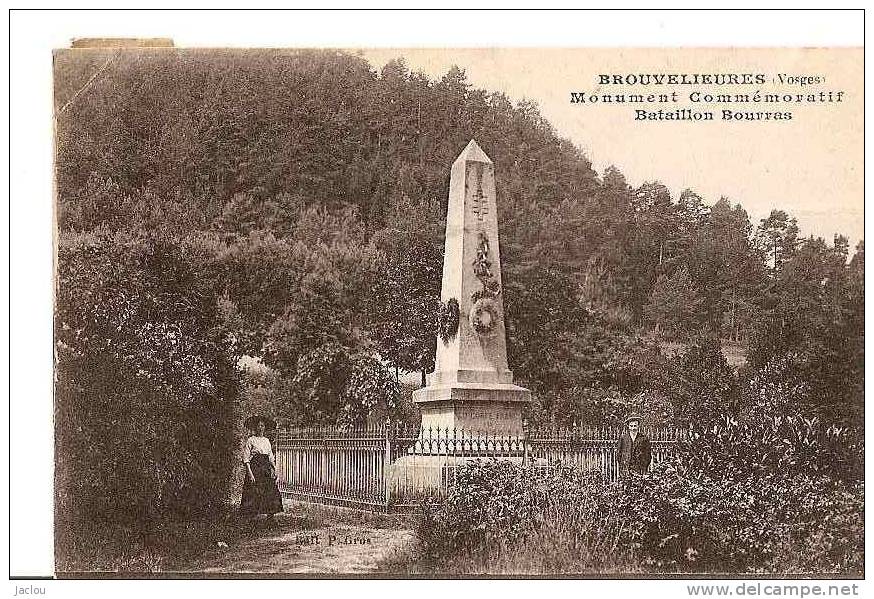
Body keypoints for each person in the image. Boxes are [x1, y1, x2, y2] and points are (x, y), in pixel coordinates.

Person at [240, 415, 284, 527]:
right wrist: (250, 473)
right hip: (255, 468)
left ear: (265, 428)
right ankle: (252, 519)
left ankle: (270, 518)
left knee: (271, 491)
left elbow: (270, 457)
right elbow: (246, 459)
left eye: (262, 425)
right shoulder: (251, 440)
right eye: (259, 425)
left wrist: (275, 470)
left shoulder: (266, 441)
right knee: (254, 492)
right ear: (255, 427)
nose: (261, 427)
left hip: (265, 469)